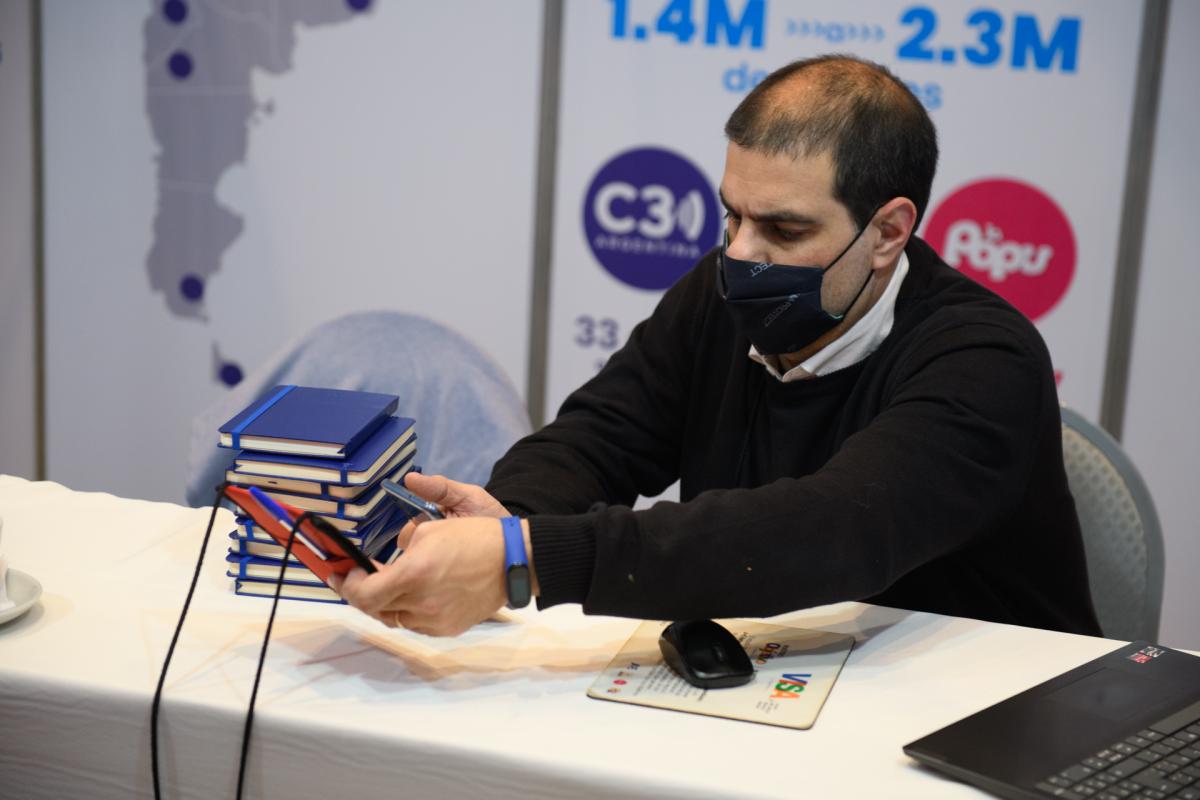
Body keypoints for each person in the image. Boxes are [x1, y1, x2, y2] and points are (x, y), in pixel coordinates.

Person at [330, 54, 1101, 639]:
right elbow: (598, 435)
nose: (741, 254)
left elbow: (829, 531)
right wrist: (507, 522)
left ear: (888, 232)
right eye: (732, 216)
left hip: (983, 725)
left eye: (784, 230)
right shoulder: (721, 291)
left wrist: (526, 557)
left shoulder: (984, 360)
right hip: (780, 685)